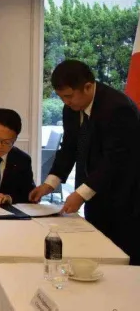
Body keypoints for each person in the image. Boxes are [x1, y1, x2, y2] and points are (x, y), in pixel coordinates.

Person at [29, 60, 140, 264]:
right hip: (95, 194)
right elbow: (69, 147)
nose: (66, 102)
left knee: (121, 256)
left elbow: (115, 160)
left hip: (124, 197)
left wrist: (81, 193)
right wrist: (50, 183)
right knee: (97, 251)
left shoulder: (118, 108)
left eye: (69, 96)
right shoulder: (71, 108)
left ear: (88, 87)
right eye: (61, 97)